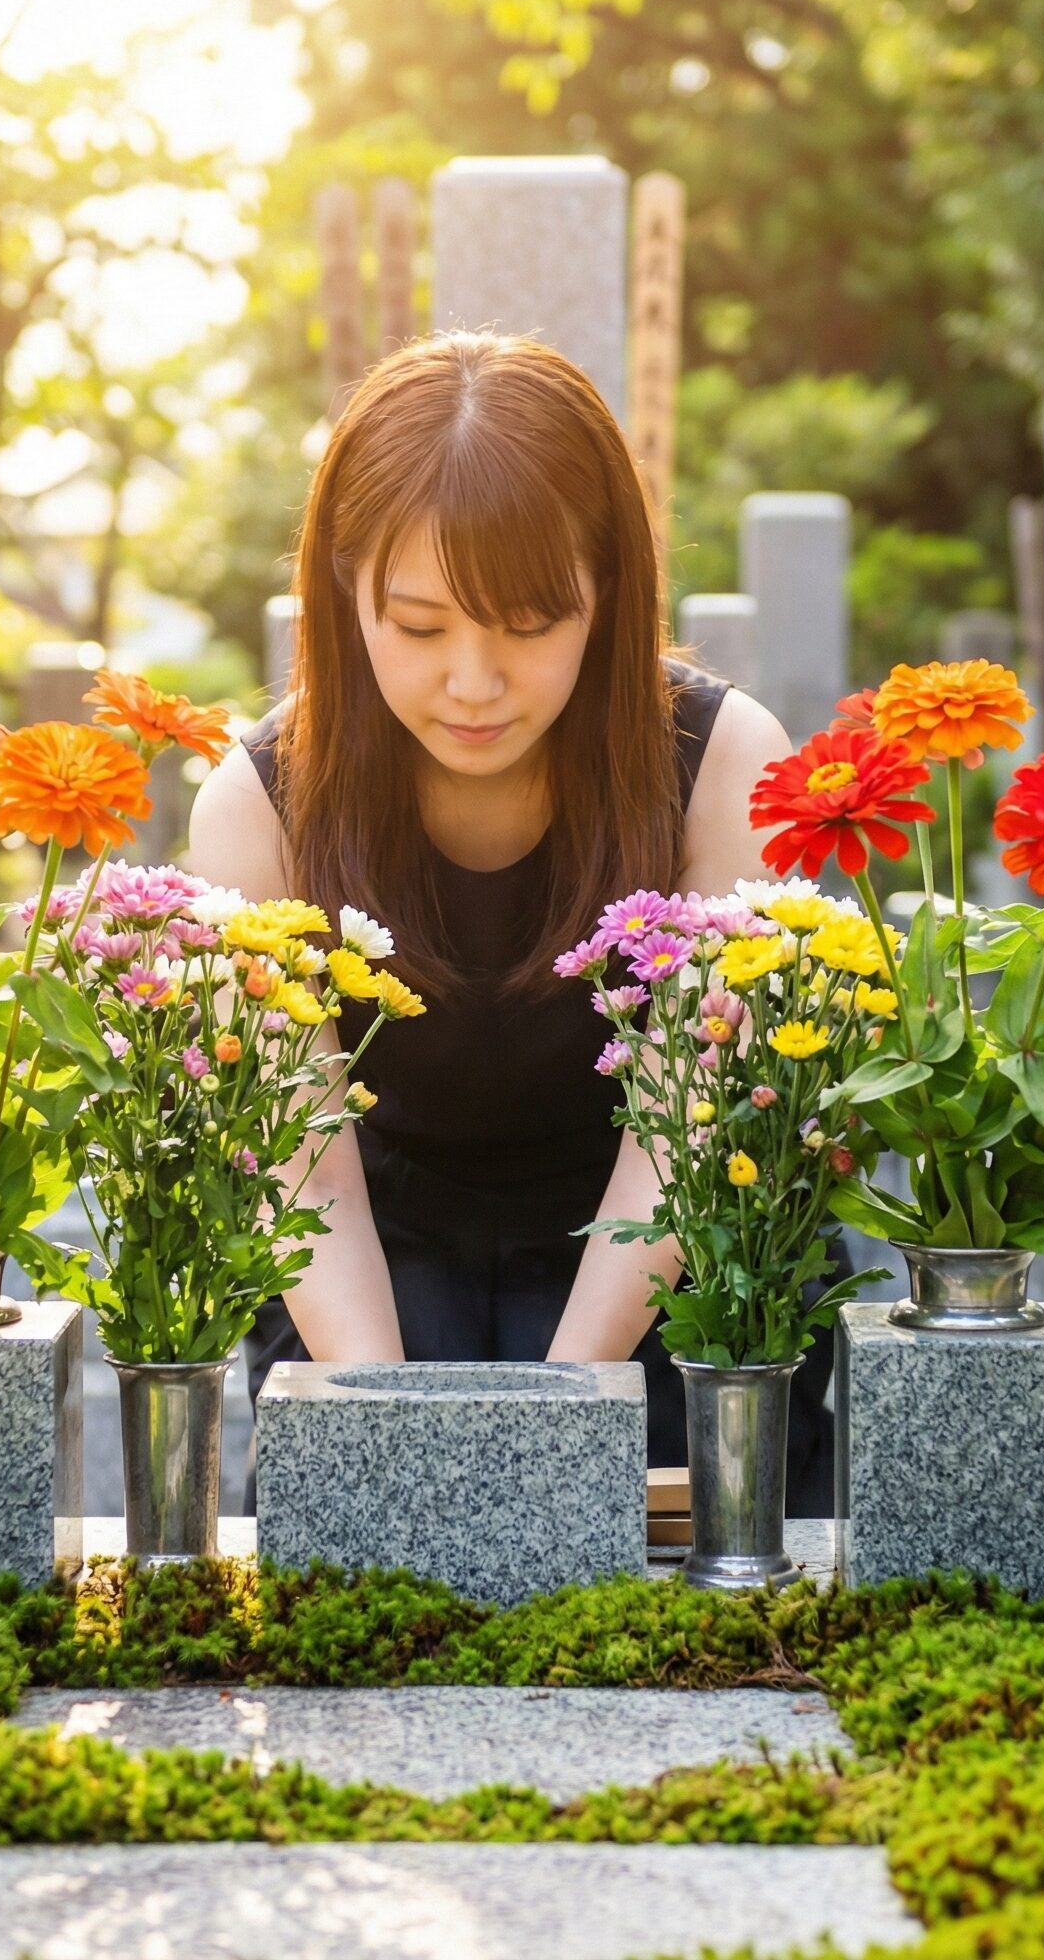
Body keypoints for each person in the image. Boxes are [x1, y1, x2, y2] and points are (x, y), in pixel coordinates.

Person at [185, 330, 843, 1511]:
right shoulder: (258, 805)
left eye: (531, 623)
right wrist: (381, 1424)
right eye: (419, 626)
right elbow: (305, 1166)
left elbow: (684, 1129)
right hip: (374, 1255)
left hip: (673, 1242)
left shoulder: (719, 761)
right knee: (360, 1527)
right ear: (344, 591)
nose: (473, 682)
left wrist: (567, 1414)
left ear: (608, 591)